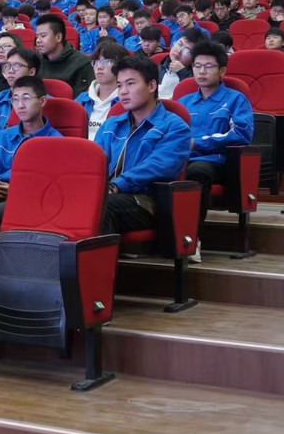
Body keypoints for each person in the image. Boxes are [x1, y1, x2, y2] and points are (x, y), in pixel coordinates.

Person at [94, 55, 191, 236]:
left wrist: (116, 186)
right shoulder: (110, 125)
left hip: (145, 201)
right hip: (106, 193)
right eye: (119, 85)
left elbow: (157, 167)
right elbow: (94, 162)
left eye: (130, 84)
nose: (123, 91)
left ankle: (97, 256)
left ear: (152, 86)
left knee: (102, 206)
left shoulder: (174, 127)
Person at [177, 42, 255, 261]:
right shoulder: (183, 102)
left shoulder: (235, 99)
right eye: (197, 66)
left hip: (216, 161)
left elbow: (241, 134)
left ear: (222, 71)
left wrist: (199, 143)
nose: (201, 71)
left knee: (197, 172)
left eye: (208, 66)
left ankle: (192, 239)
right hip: (182, 159)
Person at [0, 76, 61, 221]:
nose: (20, 105)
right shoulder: (2, 137)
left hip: (31, 198)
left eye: (26, 98)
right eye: (15, 99)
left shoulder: (57, 142)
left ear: (42, 101)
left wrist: (15, 190)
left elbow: (50, 186)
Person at [77, 41, 128, 141]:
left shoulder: (127, 100)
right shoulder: (82, 99)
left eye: (106, 62)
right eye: (96, 62)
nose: (99, 67)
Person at [0, 46, 40, 136]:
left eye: (17, 66)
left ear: (31, 72)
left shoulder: (43, 103)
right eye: (8, 66)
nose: (10, 71)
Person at [34, 14, 92, 96]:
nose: (38, 40)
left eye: (43, 36)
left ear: (58, 37)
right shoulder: (36, 60)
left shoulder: (82, 63)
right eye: (37, 36)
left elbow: (81, 99)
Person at [159, 28, 202, 99]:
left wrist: (182, 72)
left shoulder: (198, 77)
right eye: (179, 44)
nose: (179, 51)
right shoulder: (157, 69)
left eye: (187, 51)